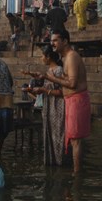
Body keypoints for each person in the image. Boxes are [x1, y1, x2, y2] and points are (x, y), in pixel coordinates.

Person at [31, 30, 90, 174]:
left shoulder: (71, 57)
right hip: (70, 100)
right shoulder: (66, 58)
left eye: (55, 40)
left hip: (76, 99)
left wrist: (48, 77)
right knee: (73, 140)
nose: (52, 44)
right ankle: (75, 171)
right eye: (51, 41)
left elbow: (72, 84)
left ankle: (77, 175)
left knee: (76, 141)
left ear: (65, 41)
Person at [24, 45, 65, 166]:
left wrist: (43, 90)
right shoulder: (49, 71)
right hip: (48, 108)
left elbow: (62, 92)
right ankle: (52, 163)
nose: (41, 58)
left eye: (42, 55)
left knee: (58, 136)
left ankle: (61, 163)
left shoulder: (59, 70)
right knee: (50, 136)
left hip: (58, 108)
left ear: (48, 57)